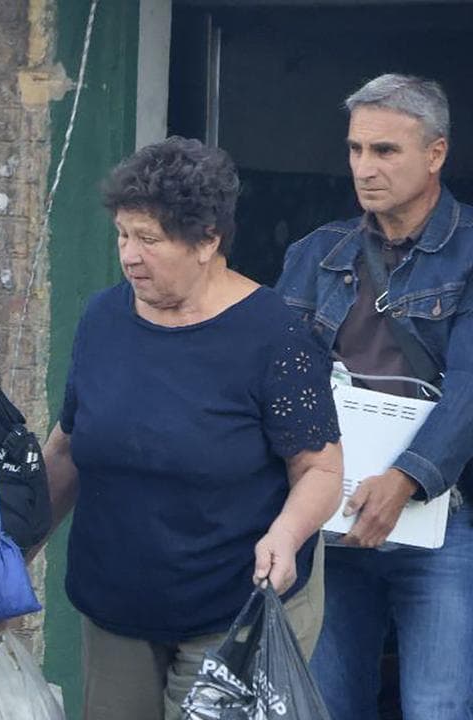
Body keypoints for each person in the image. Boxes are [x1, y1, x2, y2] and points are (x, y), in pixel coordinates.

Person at [43, 137, 344, 720]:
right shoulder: (103, 318)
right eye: (123, 236)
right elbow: (68, 447)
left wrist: (286, 534)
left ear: (208, 240)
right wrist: (11, 546)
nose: (129, 255)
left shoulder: (275, 335)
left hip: (233, 604)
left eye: (149, 240)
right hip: (116, 604)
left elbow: (321, 469)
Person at [275, 73, 473, 719]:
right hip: (329, 517)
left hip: (442, 521)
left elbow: (471, 386)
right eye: (357, 149)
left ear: (435, 153)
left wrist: (408, 478)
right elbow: (276, 383)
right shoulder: (314, 255)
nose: (365, 166)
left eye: (385, 151)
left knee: (437, 706)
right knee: (328, 704)